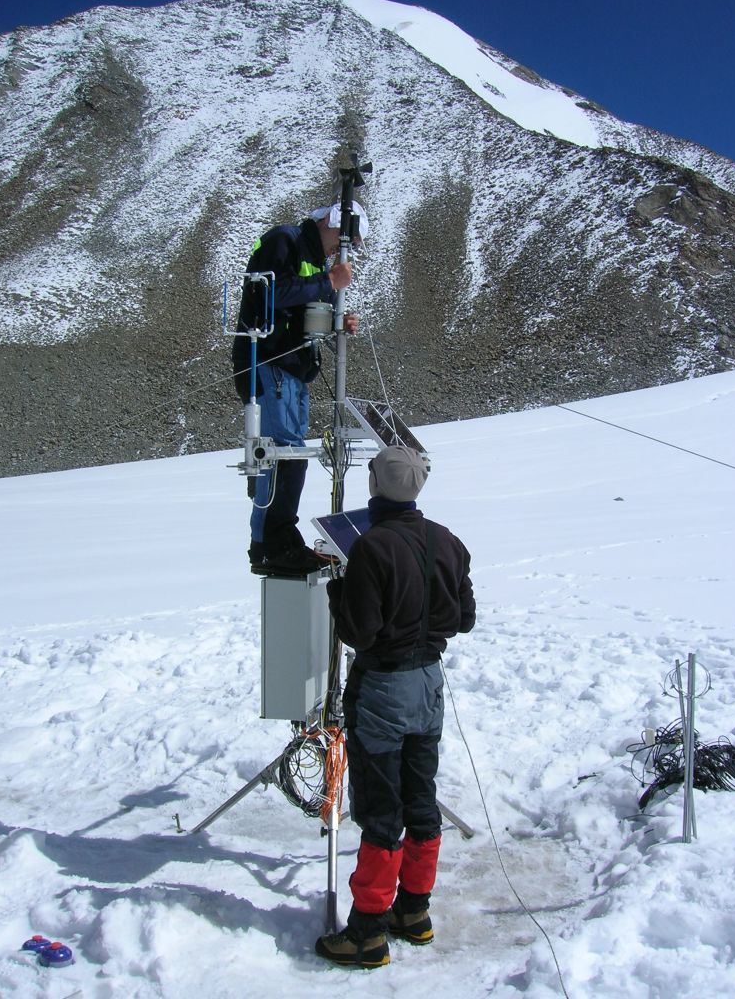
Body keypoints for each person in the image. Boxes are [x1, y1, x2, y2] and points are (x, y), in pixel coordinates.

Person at [316, 446, 476, 968]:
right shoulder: (447, 541)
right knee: (420, 798)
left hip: (383, 686)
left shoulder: (373, 547)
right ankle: (414, 911)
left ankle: (366, 932)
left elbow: (358, 631)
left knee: (382, 809)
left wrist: (339, 589)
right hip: (429, 683)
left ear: (374, 485)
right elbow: (465, 617)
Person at [233, 202, 369, 577]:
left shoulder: (311, 256)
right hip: (269, 361)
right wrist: (329, 282)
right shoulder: (285, 240)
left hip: (291, 368)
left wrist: (341, 318)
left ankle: (280, 541)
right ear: (330, 222)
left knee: (288, 453)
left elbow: (304, 306)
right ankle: (269, 546)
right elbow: (270, 295)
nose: (340, 252)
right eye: (344, 241)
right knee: (279, 454)